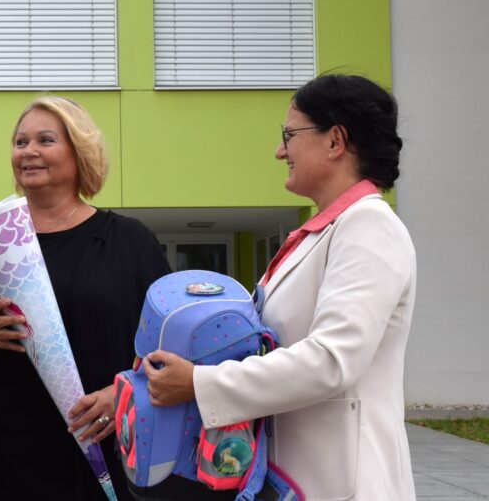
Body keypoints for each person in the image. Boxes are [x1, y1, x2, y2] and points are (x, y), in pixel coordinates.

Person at [145, 74, 416, 500]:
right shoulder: (323, 232)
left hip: (344, 483)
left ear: (335, 140)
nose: (279, 151)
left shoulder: (369, 226)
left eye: (289, 135)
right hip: (294, 479)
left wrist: (201, 382)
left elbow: (330, 360)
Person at [0, 96, 172, 500]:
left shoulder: (129, 242)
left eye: (46, 140)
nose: (29, 152)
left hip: (93, 458)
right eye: (20, 143)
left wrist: (121, 394)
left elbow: (169, 345)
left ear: (80, 151)